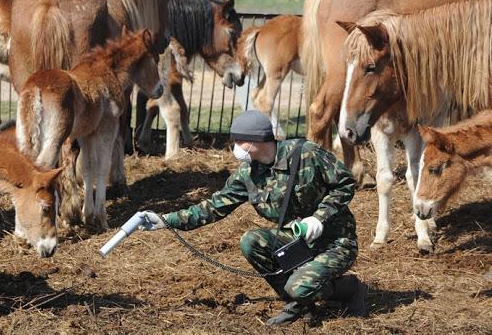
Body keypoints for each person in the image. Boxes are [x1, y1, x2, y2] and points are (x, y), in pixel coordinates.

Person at [139, 110, 367, 326]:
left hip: (335, 241)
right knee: (251, 241)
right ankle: (298, 302)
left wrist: (320, 217)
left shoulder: (306, 153)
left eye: (239, 142)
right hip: (296, 239)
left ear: (256, 141)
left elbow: (345, 183)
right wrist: (165, 220)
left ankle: (350, 288)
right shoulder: (247, 174)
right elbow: (212, 207)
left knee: (300, 287)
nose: (235, 148)